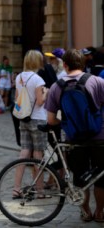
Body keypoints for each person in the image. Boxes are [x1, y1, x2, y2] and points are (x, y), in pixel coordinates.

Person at [44, 49, 104, 222]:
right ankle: (100, 212)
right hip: (99, 136)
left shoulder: (57, 86)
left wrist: (67, 121)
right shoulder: (97, 81)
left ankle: (85, 212)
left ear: (65, 65)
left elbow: (51, 119)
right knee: (101, 178)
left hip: (74, 138)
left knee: (80, 178)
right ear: (84, 64)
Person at [12, 51, 48, 198]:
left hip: (24, 118)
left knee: (24, 152)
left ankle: (16, 188)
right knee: (38, 154)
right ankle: (39, 190)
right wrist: (47, 92)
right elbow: (40, 101)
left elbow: (16, 99)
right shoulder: (38, 79)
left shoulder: (19, 77)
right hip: (38, 119)